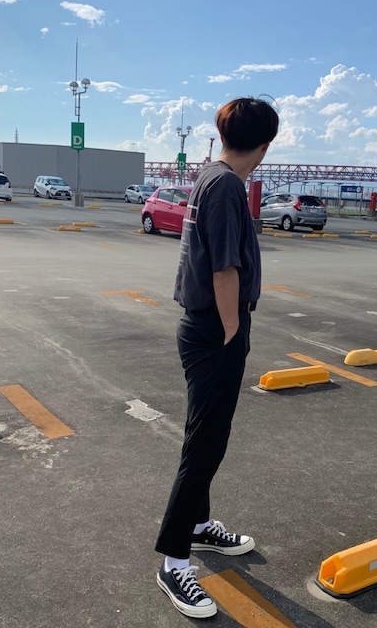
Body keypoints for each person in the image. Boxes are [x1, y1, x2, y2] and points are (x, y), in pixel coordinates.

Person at [155, 96, 279, 619]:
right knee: (204, 446)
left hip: (201, 326)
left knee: (205, 435)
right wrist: (231, 328)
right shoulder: (228, 186)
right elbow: (224, 268)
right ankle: (173, 562)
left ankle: (200, 526)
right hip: (214, 330)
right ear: (265, 145)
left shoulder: (209, 174)